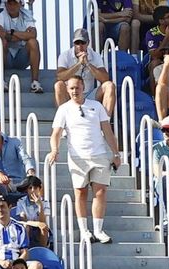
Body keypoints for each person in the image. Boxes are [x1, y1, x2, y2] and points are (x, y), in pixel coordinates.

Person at [45, 74, 121, 243]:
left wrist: (116, 153)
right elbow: (56, 133)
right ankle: (85, 230)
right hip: (77, 156)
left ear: (83, 88)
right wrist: (54, 150)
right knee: (80, 192)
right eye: (71, 88)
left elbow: (107, 131)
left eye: (77, 87)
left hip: (99, 154)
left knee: (100, 191)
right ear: (67, 89)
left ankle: (98, 230)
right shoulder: (63, 109)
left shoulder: (97, 106)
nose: (74, 91)